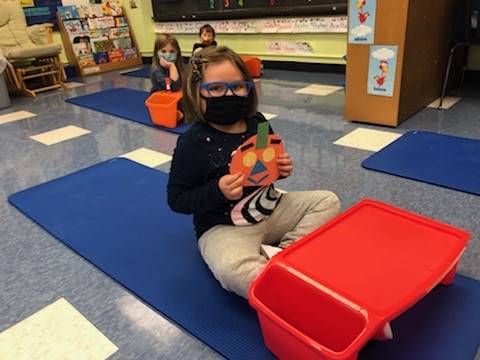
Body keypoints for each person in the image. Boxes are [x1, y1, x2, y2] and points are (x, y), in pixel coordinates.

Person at [167, 46, 340, 299]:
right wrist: (217, 191)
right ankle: (277, 277)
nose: (228, 95)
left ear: (248, 88)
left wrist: (279, 170)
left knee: (328, 201)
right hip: (223, 227)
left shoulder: (257, 122)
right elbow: (177, 199)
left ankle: (284, 254)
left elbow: (265, 160)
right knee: (233, 271)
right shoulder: (193, 142)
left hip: (271, 208)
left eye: (237, 86)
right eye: (215, 89)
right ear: (197, 93)